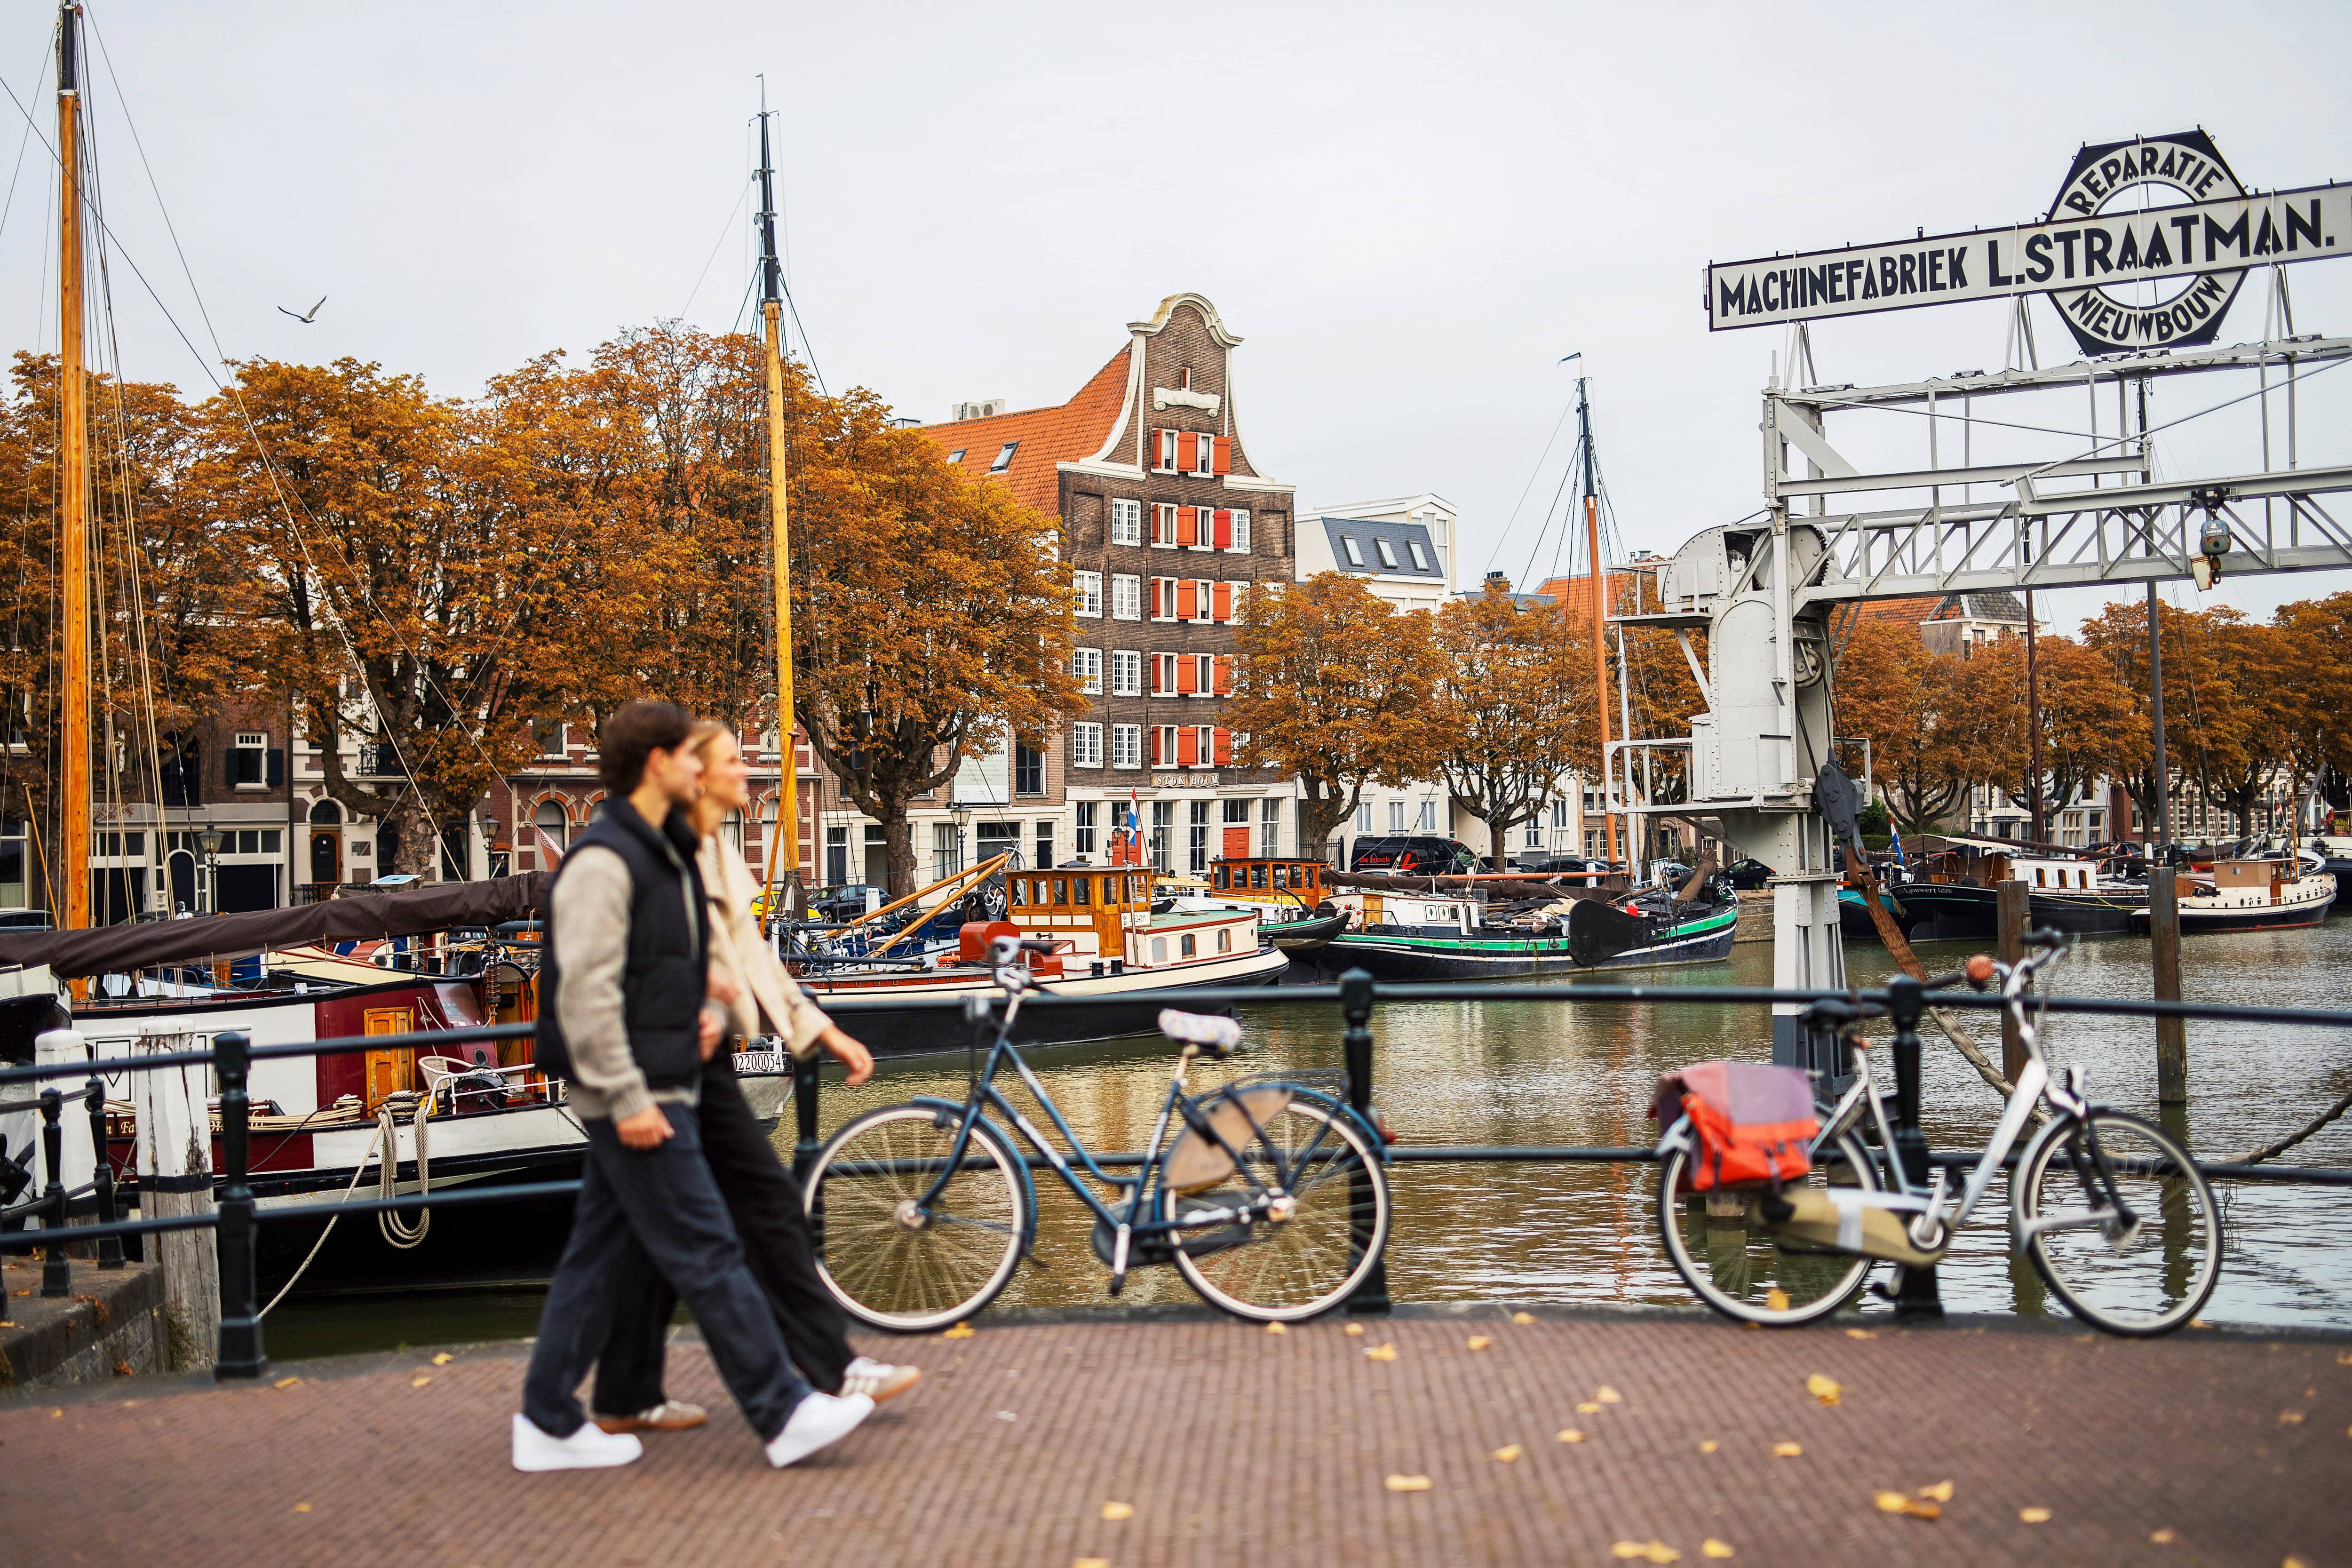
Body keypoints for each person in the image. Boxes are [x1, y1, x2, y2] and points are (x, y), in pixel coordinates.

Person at [512, 700, 874, 1473]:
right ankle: (783, 1409)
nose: (703, 767)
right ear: (659, 764)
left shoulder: (667, 854)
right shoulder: (605, 862)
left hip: (665, 1073)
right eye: (690, 754)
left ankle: (546, 1416)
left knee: (595, 1257)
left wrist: (710, 1000)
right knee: (708, 1246)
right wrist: (627, 1093)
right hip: (641, 1088)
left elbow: (683, 961)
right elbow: (585, 992)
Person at [588, 721, 919, 1434]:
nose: (751, 769)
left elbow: (751, 961)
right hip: (665, 1060)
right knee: (755, 1209)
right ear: (693, 775)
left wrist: (820, 1030)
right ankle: (820, 1375)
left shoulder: (714, 851)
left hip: (689, 1057)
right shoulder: (668, 851)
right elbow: (659, 957)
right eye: (735, 759)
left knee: (643, 1234)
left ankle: (621, 1393)